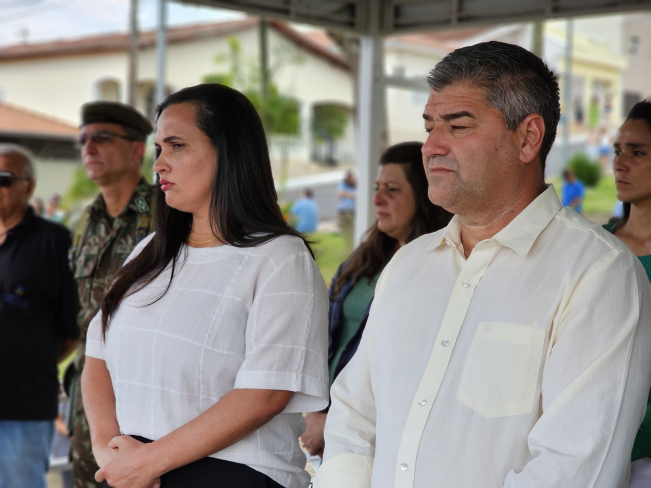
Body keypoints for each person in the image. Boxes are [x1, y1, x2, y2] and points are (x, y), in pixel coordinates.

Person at [316, 41, 651, 488]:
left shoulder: (598, 273)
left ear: (528, 138)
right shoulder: (408, 264)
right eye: (429, 126)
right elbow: (355, 418)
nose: (431, 146)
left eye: (457, 126)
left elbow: (573, 467)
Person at [81, 84, 329, 488]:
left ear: (228, 150)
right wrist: (108, 453)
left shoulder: (280, 258)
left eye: (177, 146)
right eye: (158, 148)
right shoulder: (149, 251)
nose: (160, 164)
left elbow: (266, 393)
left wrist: (148, 462)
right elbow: (97, 356)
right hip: (132, 472)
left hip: (231, 474)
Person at [300, 142, 452, 458]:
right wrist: (317, 409)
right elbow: (324, 335)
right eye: (377, 188)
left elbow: (411, 369)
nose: (377, 199)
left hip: (377, 434)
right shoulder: (364, 257)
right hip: (327, 420)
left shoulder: (440, 270)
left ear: (425, 196)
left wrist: (332, 423)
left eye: (392, 190)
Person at [69, 101, 156, 488]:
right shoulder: (85, 221)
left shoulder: (167, 212)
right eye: (83, 140)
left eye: (101, 138)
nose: (88, 148)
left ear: (137, 148)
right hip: (88, 399)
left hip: (144, 396)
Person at [0, 144, 78, 488]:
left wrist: (25, 361)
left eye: (4, 178)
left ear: (28, 186)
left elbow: (72, 331)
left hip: (23, 407)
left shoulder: (54, 242)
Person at [604, 100, 651, 487]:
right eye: (618, 150)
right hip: (589, 442)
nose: (619, 163)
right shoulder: (593, 247)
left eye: (637, 153)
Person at [337, 170, 356, 250]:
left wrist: (346, 194)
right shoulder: (343, 185)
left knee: (352, 228)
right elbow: (340, 194)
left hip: (352, 210)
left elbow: (356, 195)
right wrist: (351, 195)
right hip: (343, 210)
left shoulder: (355, 186)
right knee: (344, 229)